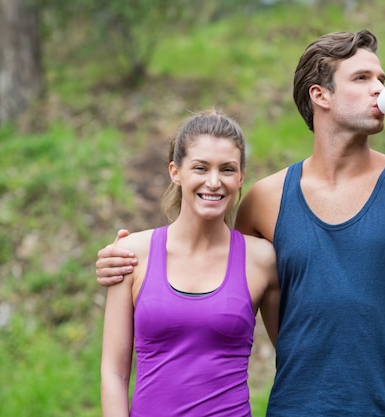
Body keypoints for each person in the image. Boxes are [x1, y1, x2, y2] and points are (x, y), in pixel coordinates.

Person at [97, 30, 385, 416]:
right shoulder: (266, 200)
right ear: (320, 95)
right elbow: (217, 284)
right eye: (361, 77)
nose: (379, 87)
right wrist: (127, 258)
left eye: (381, 77)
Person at [100, 110, 280, 417]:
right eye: (200, 167)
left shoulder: (262, 259)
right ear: (175, 171)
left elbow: (294, 358)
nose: (213, 182)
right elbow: (114, 373)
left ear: (240, 178)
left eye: (227, 169)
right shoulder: (130, 255)